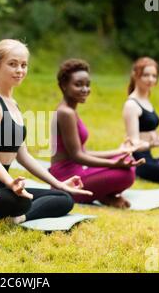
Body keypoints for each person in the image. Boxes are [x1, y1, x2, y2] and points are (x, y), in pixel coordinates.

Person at [0, 40, 92, 224]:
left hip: (4, 184)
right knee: (21, 199)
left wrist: (59, 183)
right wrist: (10, 183)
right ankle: (0, 207)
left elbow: (24, 156)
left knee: (64, 197)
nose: (19, 70)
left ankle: (20, 218)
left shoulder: (13, 105)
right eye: (12, 64)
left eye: (23, 65)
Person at [49, 59, 144, 209]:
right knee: (127, 173)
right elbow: (77, 156)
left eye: (87, 84)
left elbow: (83, 152)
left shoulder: (70, 110)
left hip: (78, 171)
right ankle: (104, 196)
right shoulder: (65, 113)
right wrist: (113, 163)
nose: (85, 89)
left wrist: (119, 152)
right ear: (64, 86)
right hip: (66, 180)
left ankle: (104, 195)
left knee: (126, 160)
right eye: (78, 84)